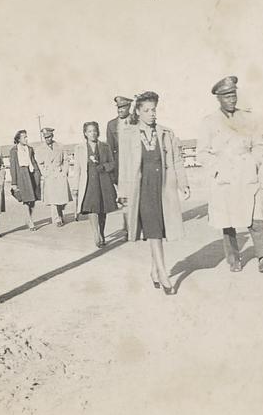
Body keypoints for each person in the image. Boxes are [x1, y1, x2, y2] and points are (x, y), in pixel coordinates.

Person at [197, 75, 263, 273]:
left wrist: (254, 163)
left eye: (233, 95)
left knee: (255, 216)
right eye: (226, 96)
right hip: (224, 176)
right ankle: (234, 259)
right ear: (219, 98)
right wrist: (217, 169)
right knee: (228, 221)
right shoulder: (209, 122)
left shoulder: (248, 118)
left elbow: (258, 145)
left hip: (246, 173)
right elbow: (202, 152)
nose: (231, 99)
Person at [117, 91, 190, 295]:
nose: (152, 114)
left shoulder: (166, 133)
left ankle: (154, 270)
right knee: (154, 230)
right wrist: (123, 192)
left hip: (163, 186)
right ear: (138, 112)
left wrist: (183, 183)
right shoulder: (129, 134)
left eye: (154, 110)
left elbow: (176, 160)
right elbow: (124, 165)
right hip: (142, 188)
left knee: (157, 230)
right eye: (147, 110)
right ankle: (163, 273)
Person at [74, 121, 117, 248]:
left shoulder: (105, 147)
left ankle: (102, 232)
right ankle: (96, 233)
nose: (93, 133)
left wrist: (104, 167)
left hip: (103, 181)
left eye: (94, 131)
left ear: (98, 132)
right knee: (92, 208)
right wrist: (75, 187)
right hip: (88, 182)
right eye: (89, 131)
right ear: (85, 134)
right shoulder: (79, 149)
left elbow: (112, 163)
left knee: (102, 209)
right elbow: (77, 169)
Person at [106, 95, 135, 235]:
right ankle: (128, 228)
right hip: (121, 168)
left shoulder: (136, 122)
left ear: (129, 107)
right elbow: (110, 150)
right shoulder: (111, 125)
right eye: (118, 108)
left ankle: (136, 226)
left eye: (123, 107)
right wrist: (112, 171)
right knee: (124, 199)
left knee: (136, 197)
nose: (120, 110)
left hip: (135, 166)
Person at [36, 127, 72, 227]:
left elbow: (66, 160)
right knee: (53, 199)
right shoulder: (40, 149)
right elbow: (40, 163)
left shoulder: (60, 146)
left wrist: (65, 171)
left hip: (60, 174)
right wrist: (45, 173)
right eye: (45, 137)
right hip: (50, 175)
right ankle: (56, 219)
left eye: (49, 136)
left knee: (61, 198)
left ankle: (60, 215)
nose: (47, 139)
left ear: (52, 136)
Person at [9, 129, 42, 232]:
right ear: (18, 139)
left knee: (32, 200)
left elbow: (33, 161)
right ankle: (30, 221)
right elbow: (13, 166)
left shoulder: (30, 149)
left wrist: (38, 173)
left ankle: (28, 219)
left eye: (27, 137)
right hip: (21, 175)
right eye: (24, 137)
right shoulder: (14, 150)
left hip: (31, 174)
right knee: (26, 200)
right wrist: (14, 182)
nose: (26, 139)